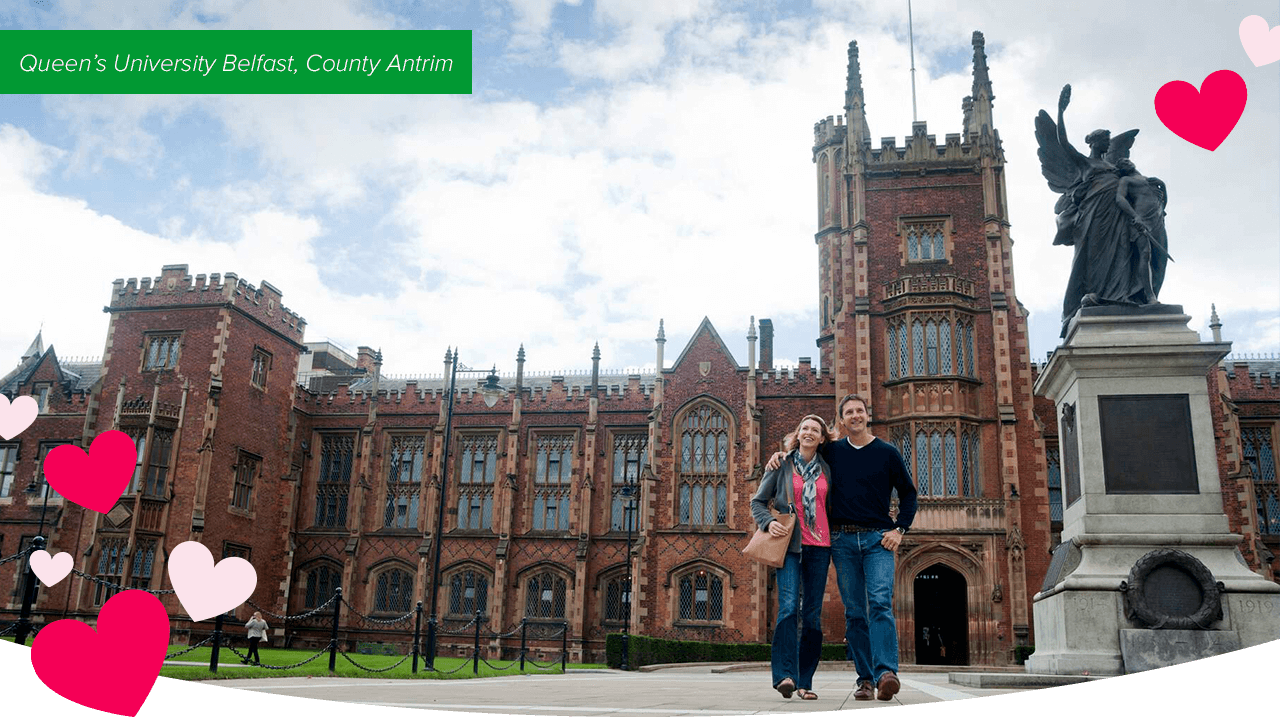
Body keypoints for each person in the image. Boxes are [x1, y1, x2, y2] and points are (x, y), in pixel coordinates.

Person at [766, 394, 916, 701]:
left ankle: (886, 672)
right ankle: (865, 679)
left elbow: (909, 495)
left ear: (867, 415)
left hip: (878, 539)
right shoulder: (832, 452)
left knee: (880, 602)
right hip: (841, 540)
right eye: (849, 412)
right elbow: (802, 451)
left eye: (860, 410)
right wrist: (778, 456)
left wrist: (899, 529)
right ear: (842, 420)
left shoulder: (887, 452)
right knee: (855, 612)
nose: (855, 416)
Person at [751, 415, 834, 701]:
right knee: (787, 609)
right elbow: (757, 502)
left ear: (822, 438)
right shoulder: (782, 464)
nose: (809, 433)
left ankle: (805, 681)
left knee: (812, 616)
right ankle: (784, 676)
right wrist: (766, 522)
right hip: (790, 546)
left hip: (820, 547)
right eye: (805, 429)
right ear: (798, 434)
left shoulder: (827, 468)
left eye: (815, 429)